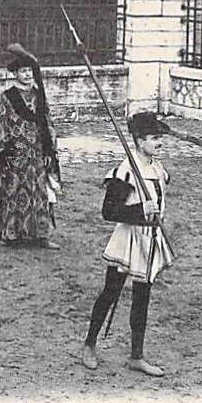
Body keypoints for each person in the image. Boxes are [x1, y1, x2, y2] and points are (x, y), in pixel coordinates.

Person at [81, 113, 176, 377]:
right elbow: (108, 212)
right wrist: (139, 209)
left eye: (161, 137)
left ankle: (137, 355)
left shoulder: (157, 168)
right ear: (138, 140)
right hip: (128, 240)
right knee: (110, 292)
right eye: (155, 138)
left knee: (142, 297)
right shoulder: (124, 172)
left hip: (150, 239)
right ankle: (89, 344)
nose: (160, 142)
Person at [0, 43, 59, 249]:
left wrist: (50, 148)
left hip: (36, 153)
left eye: (29, 71)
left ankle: (40, 235)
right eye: (23, 71)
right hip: (14, 153)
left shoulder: (39, 95)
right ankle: (10, 234)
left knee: (40, 193)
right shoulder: (7, 97)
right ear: (15, 73)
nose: (27, 74)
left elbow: (47, 122)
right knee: (12, 191)